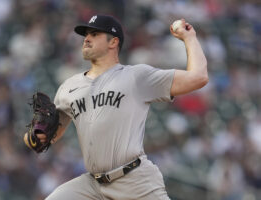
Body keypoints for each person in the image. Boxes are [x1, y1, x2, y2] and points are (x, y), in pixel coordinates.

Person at [37, 14, 208, 200]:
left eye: (94, 34)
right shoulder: (68, 87)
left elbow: (198, 77)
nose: (86, 38)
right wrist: (38, 134)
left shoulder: (136, 76)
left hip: (134, 181)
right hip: (92, 186)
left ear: (113, 42)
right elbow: (49, 136)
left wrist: (189, 38)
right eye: (86, 34)